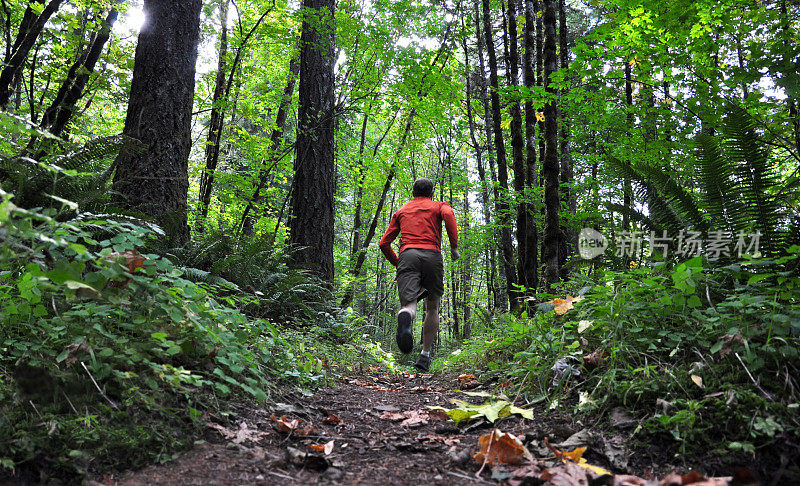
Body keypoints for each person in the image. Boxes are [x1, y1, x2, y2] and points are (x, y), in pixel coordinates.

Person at [378, 177, 459, 372]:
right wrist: (454, 247)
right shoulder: (439, 206)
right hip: (432, 255)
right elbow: (448, 214)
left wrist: (399, 263)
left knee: (408, 305)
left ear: (413, 192)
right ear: (431, 192)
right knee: (432, 307)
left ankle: (405, 318)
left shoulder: (402, 211)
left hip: (408, 255)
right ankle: (425, 355)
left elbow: (383, 243)